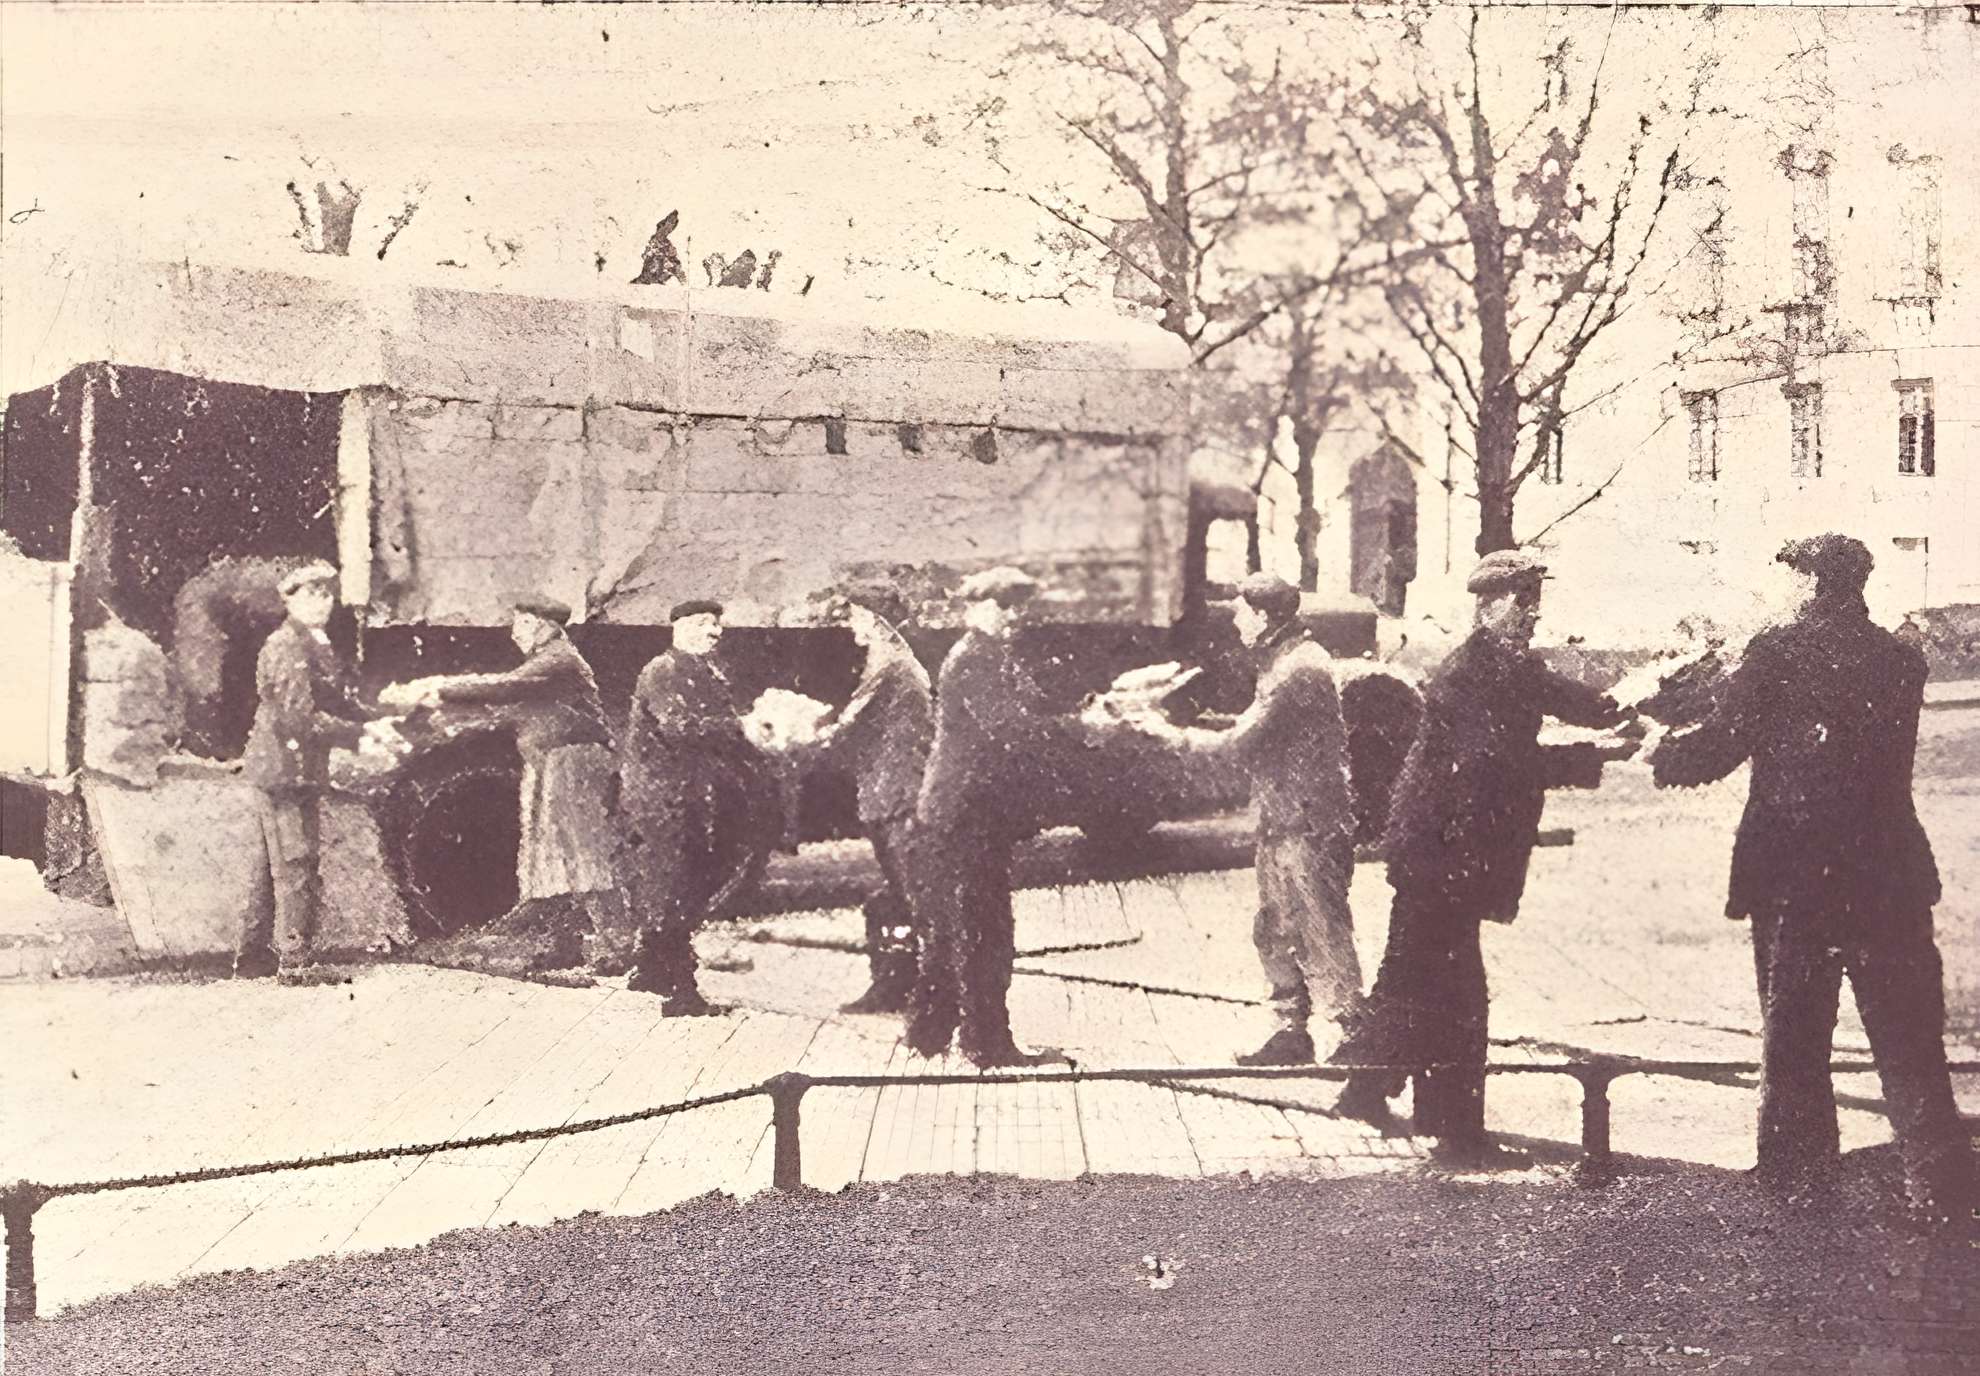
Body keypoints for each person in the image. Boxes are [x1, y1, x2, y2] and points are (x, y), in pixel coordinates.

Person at [1650, 534, 1976, 1226]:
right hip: (1889, 873)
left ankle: (1801, 1196)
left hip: (1797, 878)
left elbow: (1720, 745)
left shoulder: (1777, 649)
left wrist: (1661, 753)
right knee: (1910, 1040)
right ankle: (1938, 1189)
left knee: (1795, 1041)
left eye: (1787, 576)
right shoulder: (1900, 659)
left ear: (1808, 582)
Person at [1332, 549, 1629, 1160]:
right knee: (1457, 993)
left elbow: (1573, 698)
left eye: (1534, 602)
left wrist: (1639, 707)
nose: (1530, 615)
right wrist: (1594, 757)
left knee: (1410, 974)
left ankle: (1364, 1090)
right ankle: (1454, 1131)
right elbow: (1498, 762)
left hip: (1442, 852)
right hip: (1443, 854)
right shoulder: (1472, 672)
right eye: (1519, 603)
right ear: (1487, 605)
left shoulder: (1507, 664)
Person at [1124, 573, 1359, 1066]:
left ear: (1264, 614)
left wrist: (1161, 734)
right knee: (1275, 927)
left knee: (1321, 929)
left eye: (1241, 615)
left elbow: (1241, 742)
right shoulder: (1281, 660)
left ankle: (1350, 1036)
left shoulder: (1298, 668)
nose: (1235, 624)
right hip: (1284, 818)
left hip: (1308, 824)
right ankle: (1289, 1033)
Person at [409, 595, 627, 972]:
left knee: (584, 852)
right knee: (550, 857)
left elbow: (509, 687)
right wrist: (447, 718)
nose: (514, 632)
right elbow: (506, 710)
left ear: (546, 625)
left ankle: (621, 943)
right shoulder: (546, 663)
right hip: (553, 764)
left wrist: (439, 687)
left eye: (522, 623)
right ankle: (563, 940)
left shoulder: (557, 659)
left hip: (575, 764)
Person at [911, 566, 1063, 1067]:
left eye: (1020, 607)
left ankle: (928, 1036)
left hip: (959, 814)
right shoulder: (976, 658)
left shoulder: (987, 655)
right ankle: (987, 1045)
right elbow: (1011, 727)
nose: (1015, 617)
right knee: (985, 931)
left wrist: (1088, 707)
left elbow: (1032, 706)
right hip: (966, 817)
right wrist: (1084, 729)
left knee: (953, 926)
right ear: (981, 607)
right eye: (1007, 607)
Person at [237, 561, 399, 980]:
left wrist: (375, 722)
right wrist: (360, 735)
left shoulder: (315, 642)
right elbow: (300, 718)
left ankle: (258, 956)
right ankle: (294, 962)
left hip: (293, 767)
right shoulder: (287, 646)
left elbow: (338, 701)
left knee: (275, 864)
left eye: (326, 593)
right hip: (285, 768)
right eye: (310, 594)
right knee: (295, 860)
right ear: (289, 599)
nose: (321, 602)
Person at [618, 599, 772, 1015]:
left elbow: (722, 734)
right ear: (680, 627)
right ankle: (681, 991)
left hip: (687, 796)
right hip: (662, 800)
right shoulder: (664, 670)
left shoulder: (703, 670)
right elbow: (679, 727)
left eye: (718, 624)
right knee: (677, 887)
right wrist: (746, 727)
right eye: (705, 623)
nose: (715, 631)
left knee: (681, 881)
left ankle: (650, 968)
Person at [803, 583, 936, 1014]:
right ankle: (896, 988)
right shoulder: (888, 666)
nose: (852, 624)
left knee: (913, 898)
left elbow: (847, 730)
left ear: (879, 623)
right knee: (894, 898)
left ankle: (927, 996)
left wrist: (798, 737)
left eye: (859, 615)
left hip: (899, 800)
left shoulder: (894, 669)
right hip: (886, 797)